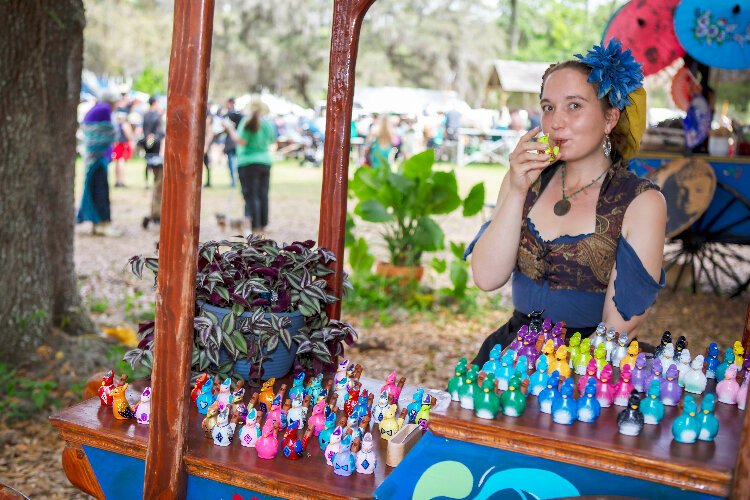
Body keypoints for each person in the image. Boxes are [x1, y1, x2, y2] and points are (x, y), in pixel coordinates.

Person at [464, 39, 667, 366]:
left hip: (591, 363)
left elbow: (620, 327)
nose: (556, 122)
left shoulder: (640, 202)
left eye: (574, 106)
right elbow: (487, 278)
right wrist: (516, 191)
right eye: (548, 107)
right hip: (512, 349)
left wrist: (560, 375)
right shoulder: (526, 179)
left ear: (610, 119)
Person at [225, 99, 277, 232]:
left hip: (248, 162)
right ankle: (263, 223)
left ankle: (254, 224)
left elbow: (241, 140)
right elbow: (272, 140)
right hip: (265, 161)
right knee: (263, 194)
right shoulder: (267, 124)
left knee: (250, 194)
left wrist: (230, 128)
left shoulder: (246, 122)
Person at [77, 90, 122, 236]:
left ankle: (97, 223)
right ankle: (103, 223)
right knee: (101, 190)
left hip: (93, 157)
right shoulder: (105, 109)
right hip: (98, 157)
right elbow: (111, 132)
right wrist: (115, 130)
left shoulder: (96, 109)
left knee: (94, 188)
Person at [141, 96, 165, 229]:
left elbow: (146, 135)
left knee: (157, 185)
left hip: (149, 154)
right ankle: (155, 214)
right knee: (158, 186)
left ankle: (155, 213)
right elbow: (160, 135)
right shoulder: (157, 116)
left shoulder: (145, 116)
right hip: (158, 155)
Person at [220, 97, 243, 187]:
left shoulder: (230, 115)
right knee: (234, 161)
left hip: (231, 142)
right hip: (234, 141)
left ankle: (234, 180)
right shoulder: (238, 114)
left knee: (232, 162)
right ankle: (235, 179)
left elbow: (224, 127)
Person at [112, 111, 135, 187]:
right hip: (123, 145)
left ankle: (117, 180)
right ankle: (121, 181)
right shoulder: (125, 125)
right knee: (121, 162)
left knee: (117, 162)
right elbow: (129, 136)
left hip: (117, 144)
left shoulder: (116, 125)